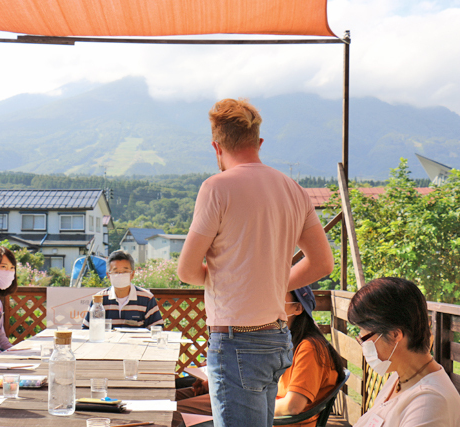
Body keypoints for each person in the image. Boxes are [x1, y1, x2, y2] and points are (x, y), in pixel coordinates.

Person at [177, 98, 334, 427]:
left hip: (235, 340)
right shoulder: (292, 189)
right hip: (277, 337)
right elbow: (322, 263)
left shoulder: (216, 188)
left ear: (216, 147)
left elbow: (187, 271)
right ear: (258, 142)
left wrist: (228, 279)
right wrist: (274, 285)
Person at [177, 286, 345, 427]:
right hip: (252, 400)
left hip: (272, 418)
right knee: (172, 398)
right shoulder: (280, 342)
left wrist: (241, 406)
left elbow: (293, 406)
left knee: (172, 415)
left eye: (276, 296)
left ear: (297, 308)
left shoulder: (310, 348)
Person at [348, 277, 460, 427]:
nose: (363, 345)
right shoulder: (399, 378)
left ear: (395, 335)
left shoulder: (430, 402)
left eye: (365, 337)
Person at [82, 250, 163, 329]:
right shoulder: (99, 299)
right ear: (108, 275)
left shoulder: (147, 298)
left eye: (125, 271)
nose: (120, 275)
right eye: (116, 271)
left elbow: (157, 329)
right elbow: (87, 329)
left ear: (132, 274)